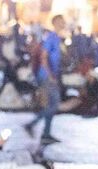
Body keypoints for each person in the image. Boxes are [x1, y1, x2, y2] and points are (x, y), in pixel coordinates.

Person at [24, 15, 65, 144]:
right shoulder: (51, 37)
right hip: (47, 76)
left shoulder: (56, 38)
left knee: (51, 104)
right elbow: (43, 57)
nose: (64, 23)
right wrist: (51, 75)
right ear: (56, 23)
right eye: (62, 21)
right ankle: (31, 124)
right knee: (55, 104)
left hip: (50, 75)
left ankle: (46, 134)